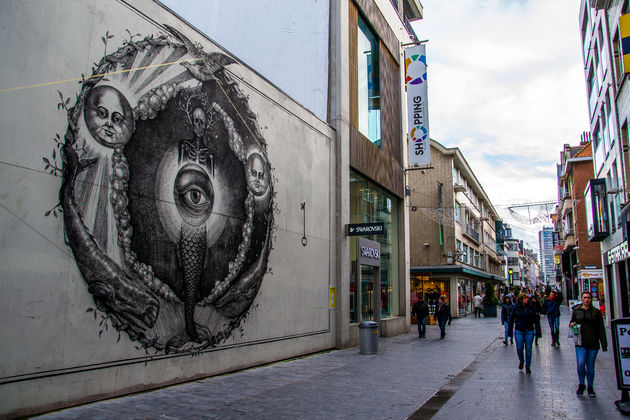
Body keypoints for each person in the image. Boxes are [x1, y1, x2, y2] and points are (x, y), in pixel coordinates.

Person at [569, 291, 607, 397]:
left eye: (589, 298)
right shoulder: (576, 311)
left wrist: (604, 344)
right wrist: (572, 324)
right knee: (581, 363)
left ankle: (590, 386)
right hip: (580, 342)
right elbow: (572, 322)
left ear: (591, 299)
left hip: (593, 342)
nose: (587, 300)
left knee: (590, 366)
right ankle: (581, 384)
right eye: (585, 298)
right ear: (581, 299)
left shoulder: (596, 312)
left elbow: (601, 328)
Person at [508, 293, 538, 374]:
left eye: (527, 298)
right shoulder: (516, 307)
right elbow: (511, 319)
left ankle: (528, 366)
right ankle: (521, 360)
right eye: (525, 298)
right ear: (521, 299)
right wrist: (509, 332)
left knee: (528, 349)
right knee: (519, 348)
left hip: (529, 330)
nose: (527, 299)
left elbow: (536, 320)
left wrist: (538, 331)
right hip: (519, 330)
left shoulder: (531, 307)